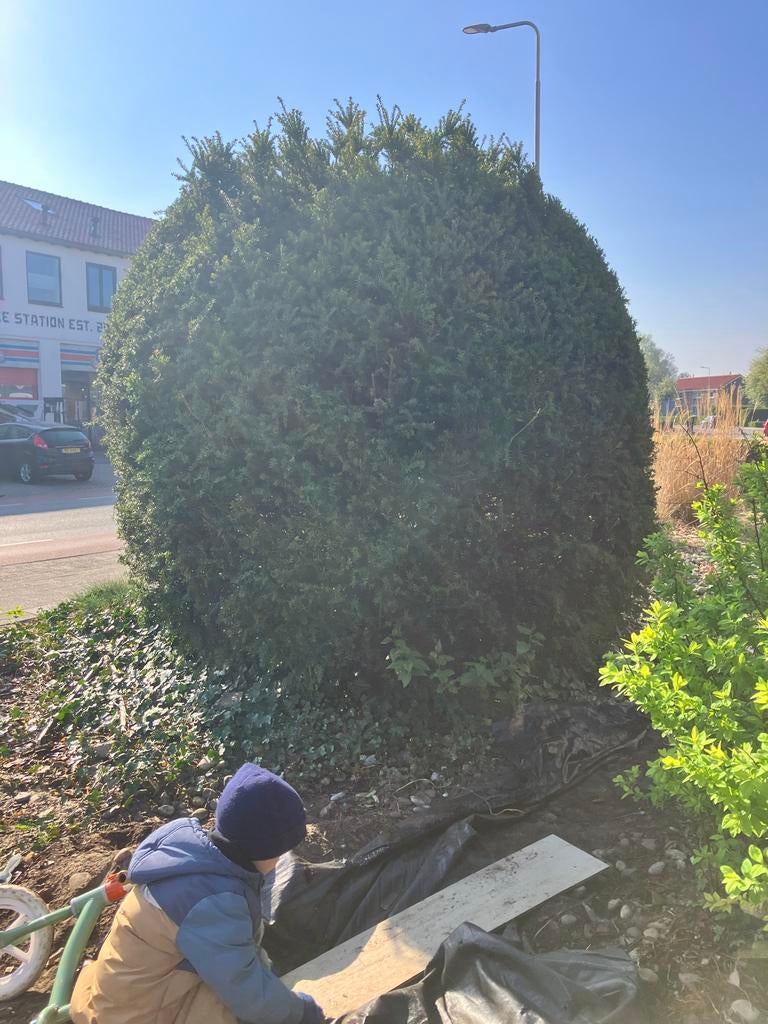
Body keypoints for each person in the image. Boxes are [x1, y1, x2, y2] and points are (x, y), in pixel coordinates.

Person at [71, 764, 326, 1024]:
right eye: (278, 852)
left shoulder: (193, 863)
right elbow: (246, 992)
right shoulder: (212, 904)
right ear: (260, 850)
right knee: (236, 1010)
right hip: (131, 1017)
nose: (281, 859)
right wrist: (302, 1013)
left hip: (120, 998)